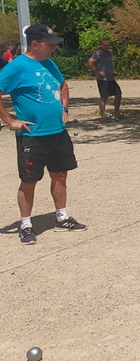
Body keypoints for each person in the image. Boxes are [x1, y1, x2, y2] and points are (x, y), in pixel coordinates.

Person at [0, 24, 87, 244]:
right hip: (32, 135)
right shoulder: (17, 66)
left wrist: (64, 109)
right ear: (35, 44)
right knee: (29, 181)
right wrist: (11, 120)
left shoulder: (49, 63)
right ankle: (26, 224)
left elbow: (63, 85)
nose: (54, 48)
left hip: (57, 133)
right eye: (51, 44)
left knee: (60, 175)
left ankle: (62, 216)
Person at [87, 38, 122, 119]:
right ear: (101, 45)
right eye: (105, 45)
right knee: (104, 97)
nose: (106, 47)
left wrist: (112, 69)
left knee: (118, 94)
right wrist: (98, 72)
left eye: (108, 45)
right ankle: (103, 116)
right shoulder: (98, 53)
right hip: (102, 79)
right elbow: (89, 63)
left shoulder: (109, 53)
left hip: (110, 78)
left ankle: (116, 112)